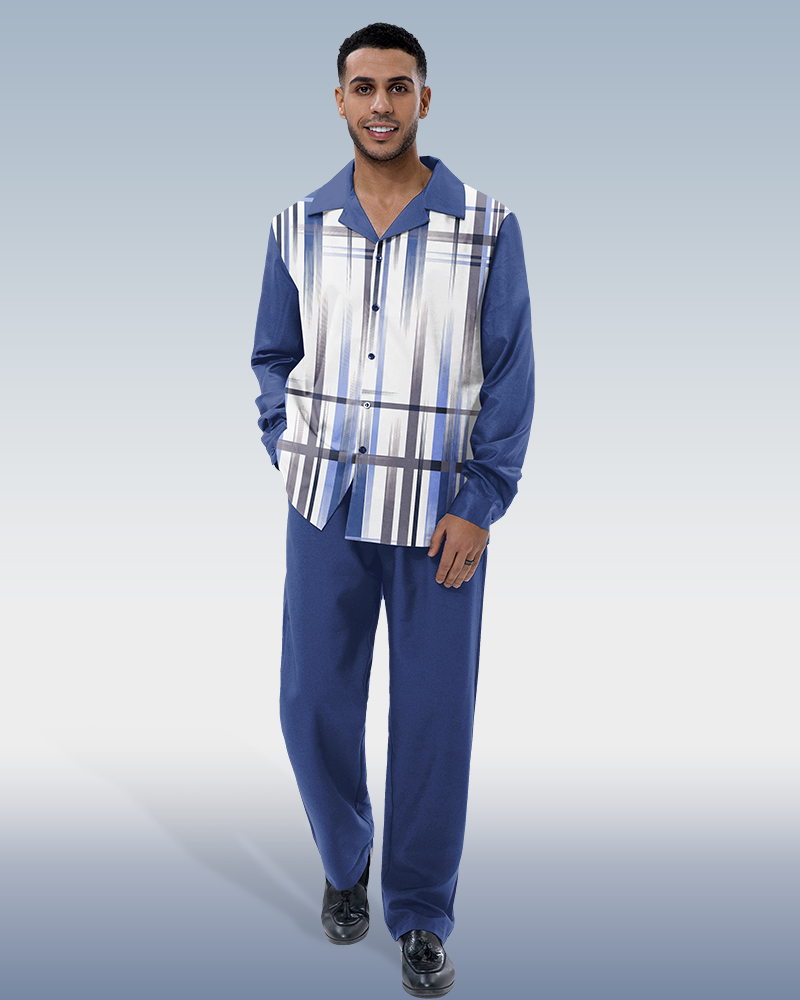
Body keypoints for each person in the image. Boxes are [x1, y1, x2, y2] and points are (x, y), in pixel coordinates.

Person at [250, 22, 534, 997]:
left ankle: (418, 914)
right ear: (339, 99)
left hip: (439, 518)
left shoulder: (487, 227)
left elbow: (509, 375)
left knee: (434, 720)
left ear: (424, 99)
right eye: (363, 87)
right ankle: (345, 863)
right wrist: (289, 452)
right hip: (324, 508)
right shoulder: (296, 226)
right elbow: (272, 358)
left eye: (398, 86)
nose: (380, 104)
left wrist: (482, 500)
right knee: (309, 702)